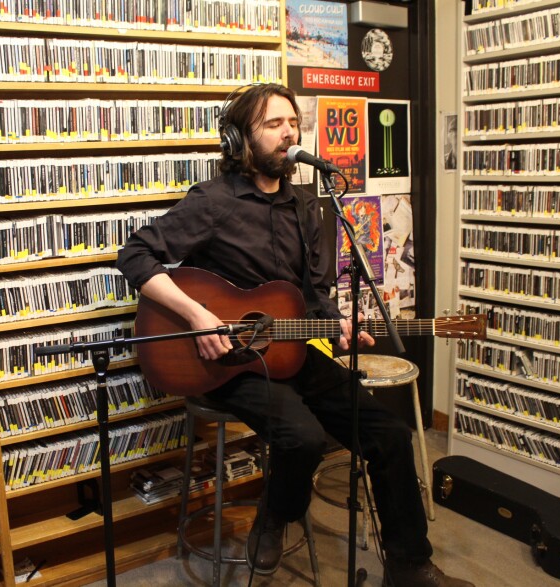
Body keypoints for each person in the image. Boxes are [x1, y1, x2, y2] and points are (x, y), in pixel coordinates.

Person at [116, 83, 474, 587]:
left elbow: (315, 297)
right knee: (303, 438)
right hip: (226, 360)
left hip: (294, 350)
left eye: (292, 123)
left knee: (389, 434)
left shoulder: (309, 206)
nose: (288, 133)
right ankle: (273, 516)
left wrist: (339, 327)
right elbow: (134, 256)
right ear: (241, 139)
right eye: (273, 124)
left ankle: (409, 565)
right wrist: (198, 316)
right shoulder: (213, 202)